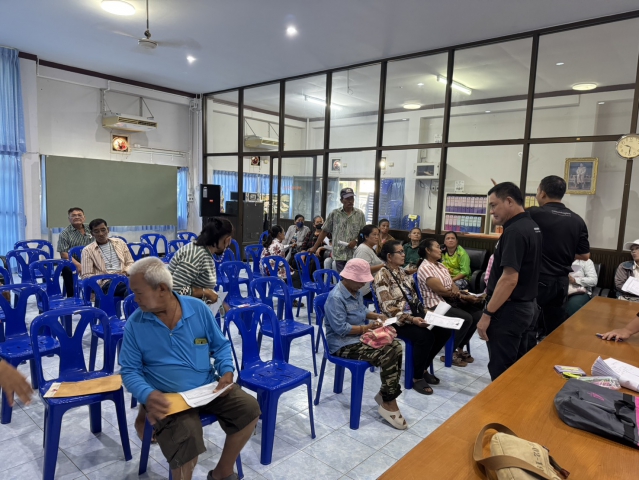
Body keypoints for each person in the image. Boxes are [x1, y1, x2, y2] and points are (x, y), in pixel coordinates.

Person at [120, 257, 260, 480]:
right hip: (168, 397)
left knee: (250, 409)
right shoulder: (136, 324)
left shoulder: (198, 309)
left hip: (206, 388)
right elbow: (129, 370)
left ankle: (222, 472)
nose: (135, 299)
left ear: (162, 289)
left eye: (138, 293)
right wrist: (148, 394)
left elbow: (220, 345)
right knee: (187, 439)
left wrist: (226, 371)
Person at [324, 259, 406, 430]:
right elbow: (340, 329)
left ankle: (386, 394)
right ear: (348, 277)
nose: (363, 284)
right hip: (342, 344)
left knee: (396, 346)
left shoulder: (355, 291)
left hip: (359, 338)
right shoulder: (336, 297)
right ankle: (389, 401)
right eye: (360, 280)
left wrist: (376, 316)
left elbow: (361, 310)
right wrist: (366, 328)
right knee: (388, 353)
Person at [477, 182, 542, 380]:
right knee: (517, 369)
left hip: (509, 310)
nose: (491, 211)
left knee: (502, 370)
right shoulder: (531, 225)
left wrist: (487, 314)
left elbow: (509, 279)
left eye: (494, 205)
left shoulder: (515, 231)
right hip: (526, 307)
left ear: (509, 201)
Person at [374, 240, 451, 395]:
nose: (404, 255)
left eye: (403, 251)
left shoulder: (403, 273)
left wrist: (426, 311)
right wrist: (412, 319)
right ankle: (416, 377)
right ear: (389, 256)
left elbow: (414, 299)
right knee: (425, 336)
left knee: (444, 330)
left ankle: (423, 368)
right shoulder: (382, 275)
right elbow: (388, 308)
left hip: (413, 314)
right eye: (400, 252)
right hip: (396, 320)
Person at [528, 175, 589, 339]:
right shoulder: (577, 220)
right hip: (561, 282)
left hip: (538, 280)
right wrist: (563, 251)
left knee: (529, 326)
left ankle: (528, 356)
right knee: (555, 329)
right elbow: (585, 255)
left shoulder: (534, 214)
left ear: (542, 193)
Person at [416, 238, 481, 367]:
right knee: (466, 318)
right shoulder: (425, 268)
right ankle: (449, 353)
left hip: (449, 301)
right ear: (428, 250)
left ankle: (460, 348)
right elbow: (442, 291)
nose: (441, 249)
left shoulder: (440, 265)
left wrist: (457, 292)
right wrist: (463, 296)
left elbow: (452, 285)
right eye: (437, 247)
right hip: (435, 305)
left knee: (477, 314)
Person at [168, 218, 234, 304]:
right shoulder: (196, 255)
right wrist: (206, 292)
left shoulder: (204, 251)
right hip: (180, 307)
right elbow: (176, 290)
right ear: (227, 240)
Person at [309, 187, 366, 273]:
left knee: (352, 279)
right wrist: (314, 247)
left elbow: (363, 232)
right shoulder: (334, 214)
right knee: (342, 278)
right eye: (347, 198)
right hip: (339, 254)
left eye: (352, 198)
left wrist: (356, 240)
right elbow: (324, 231)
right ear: (341, 200)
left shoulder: (359, 214)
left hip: (354, 254)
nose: (350, 201)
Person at [81, 218, 134, 301]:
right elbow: (86, 275)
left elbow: (130, 263)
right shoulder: (88, 250)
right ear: (92, 233)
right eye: (96, 231)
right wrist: (108, 277)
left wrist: (125, 272)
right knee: (133, 288)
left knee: (143, 285)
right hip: (106, 283)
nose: (101, 234)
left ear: (108, 230)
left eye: (103, 230)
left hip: (124, 278)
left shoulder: (119, 243)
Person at [56, 207, 94, 297]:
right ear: (69, 219)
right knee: (66, 269)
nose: (77, 217)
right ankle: (72, 296)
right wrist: (78, 264)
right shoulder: (64, 234)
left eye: (79, 215)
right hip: (73, 261)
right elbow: (64, 254)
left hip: (91, 259)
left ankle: (95, 292)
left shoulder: (91, 229)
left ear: (84, 218)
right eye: (73, 215)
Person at [260, 225, 302, 290]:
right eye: (283, 232)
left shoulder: (270, 242)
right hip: (274, 271)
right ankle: (291, 293)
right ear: (279, 234)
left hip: (266, 270)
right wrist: (290, 268)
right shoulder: (279, 245)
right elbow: (281, 263)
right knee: (297, 275)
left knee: (292, 271)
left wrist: (290, 245)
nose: (284, 233)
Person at [353, 225, 385, 299]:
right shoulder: (363, 250)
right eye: (374, 234)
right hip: (366, 288)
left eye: (378, 234)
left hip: (373, 284)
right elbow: (363, 269)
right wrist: (383, 266)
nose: (377, 237)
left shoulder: (369, 248)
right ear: (366, 237)